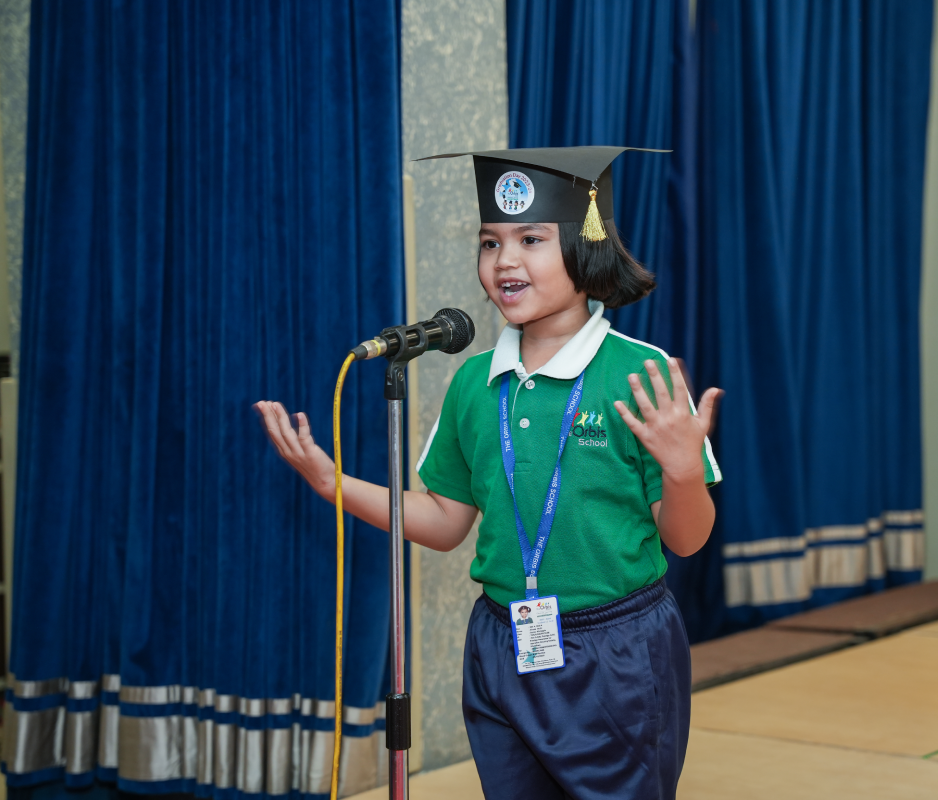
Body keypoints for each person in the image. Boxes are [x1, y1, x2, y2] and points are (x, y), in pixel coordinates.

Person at [256, 146, 722, 800]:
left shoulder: (641, 374)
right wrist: (332, 483)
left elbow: (687, 538)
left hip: (615, 651)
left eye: (530, 239)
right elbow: (446, 523)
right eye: (489, 242)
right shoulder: (475, 382)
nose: (504, 260)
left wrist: (682, 475)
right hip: (502, 644)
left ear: (588, 247)